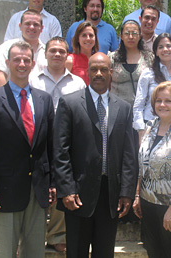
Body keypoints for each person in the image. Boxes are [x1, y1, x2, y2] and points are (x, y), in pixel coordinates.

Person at [0, 41, 55, 258]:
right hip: (4, 189)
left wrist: (52, 182)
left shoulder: (44, 100)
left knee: (35, 251)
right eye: (17, 59)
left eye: (26, 60)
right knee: (6, 252)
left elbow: (50, 145)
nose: (21, 63)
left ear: (33, 64)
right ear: (8, 63)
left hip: (37, 189)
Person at [53, 52, 137, 258]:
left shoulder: (124, 108)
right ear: (87, 72)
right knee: (76, 252)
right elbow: (60, 150)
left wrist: (126, 191)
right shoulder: (69, 104)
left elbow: (129, 153)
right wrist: (66, 189)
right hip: (78, 194)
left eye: (103, 69)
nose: (98, 73)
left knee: (104, 252)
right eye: (93, 69)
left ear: (111, 72)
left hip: (110, 195)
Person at [29, 37, 86, 252]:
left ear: (67, 55)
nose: (57, 54)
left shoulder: (77, 83)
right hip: (38, 140)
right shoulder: (34, 80)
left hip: (66, 141)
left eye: (62, 51)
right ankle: (31, 236)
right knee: (40, 186)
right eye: (53, 50)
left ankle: (56, 234)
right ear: (45, 54)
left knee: (62, 183)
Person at [133, 81, 171, 258]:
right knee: (153, 252)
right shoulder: (151, 126)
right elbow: (143, 164)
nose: (162, 105)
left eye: (168, 101)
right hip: (148, 203)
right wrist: (138, 195)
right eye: (158, 100)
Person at [133, 33, 171, 140]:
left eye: (169, 46)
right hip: (150, 127)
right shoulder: (148, 74)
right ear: (156, 52)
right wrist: (141, 129)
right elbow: (139, 104)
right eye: (160, 47)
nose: (165, 49)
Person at [0, 9, 47, 88]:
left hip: (41, 99)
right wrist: (5, 99)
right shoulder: (6, 47)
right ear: (20, 26)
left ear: (42, 28)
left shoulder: (47, 52)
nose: (31, 27)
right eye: (27, 24)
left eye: (36, 24)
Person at [108, 20, 153, 106]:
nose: (131, 37)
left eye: (134, 33)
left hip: (143, 110)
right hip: (117, 109)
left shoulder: (149, 58)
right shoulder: (112, 58)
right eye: (127, 33)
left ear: (140, 36)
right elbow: (107, 85)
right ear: (121, 36)